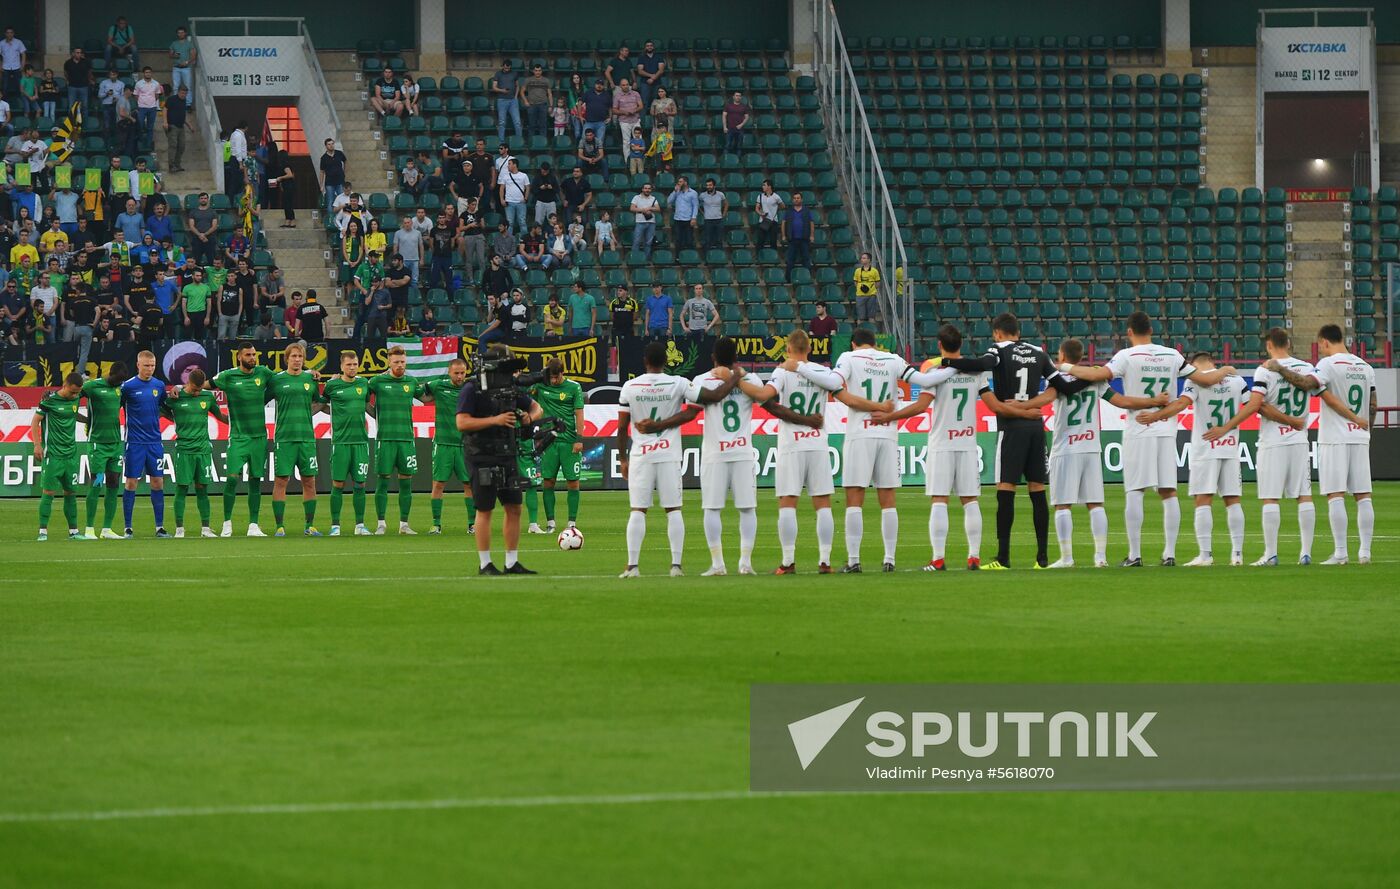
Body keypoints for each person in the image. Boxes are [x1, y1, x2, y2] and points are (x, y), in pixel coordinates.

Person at [1060, 311, 1238, 568]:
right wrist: (1225, 370)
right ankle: (1170, 553)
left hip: (1140, 427)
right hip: (1167, 430)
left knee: (1135, 490)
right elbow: (1205, 379)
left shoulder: (1126, 356)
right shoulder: (1172, 354)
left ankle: (1135, 554)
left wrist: (1062, 366)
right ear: (1152, 330)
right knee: (1168, 491)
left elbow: (1098, 376)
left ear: (1129, 332)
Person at [795, 328, 945, 572]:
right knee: (888, 500)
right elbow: (926, 381)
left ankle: (854, 561)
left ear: (854, 343)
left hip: (860, 434)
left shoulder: (848, 358)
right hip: (887, 433)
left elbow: (833, 383)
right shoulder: (893, 359)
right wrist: (956, 366)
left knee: (855, 498)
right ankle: (890, 560)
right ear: (875, 344)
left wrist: (800, 368)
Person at [1259, 324, 1377, 565]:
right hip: (1360, 436)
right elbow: (1373, 404)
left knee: (1336, 495)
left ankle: (1341, 553)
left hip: (1334, 437)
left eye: (1320, 346)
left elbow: (1305, 384)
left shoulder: (1328, 365)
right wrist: (1366, 430)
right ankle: (1365, 552)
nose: (1320, 351)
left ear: (1324, 342)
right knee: (1363, 496)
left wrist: (1278, 368)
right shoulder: (1365, 366)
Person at [1205, 328, 1316, 566]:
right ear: (1288, 343)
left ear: (1268, 345)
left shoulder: (1264, 370)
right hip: (1299, 439)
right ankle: (1305, 553)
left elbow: (1255, 405)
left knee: (1270, 498)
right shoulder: (1307, 368)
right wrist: (1295, 421)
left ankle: (1271, 554)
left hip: (1273, 441)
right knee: (1304, 496)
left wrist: (1226, 427)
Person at [1130, 352, 1251, 567]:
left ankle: (1205, 555)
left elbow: (1180, 405)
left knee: (1203, 500)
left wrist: (1154, 416)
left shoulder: (1194, 381)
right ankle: (1238, 555)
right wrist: (1229, 428)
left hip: (1205, 447)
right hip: (1230, 446)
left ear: (1194, 365)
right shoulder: (1238, 380)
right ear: (1212, 361)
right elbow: (1252, 406)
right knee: (1233, 500)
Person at [455, 343, 544, 574]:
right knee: (484, 509)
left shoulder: (512, 388)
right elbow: (462, 422)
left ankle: (511, 562)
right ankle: (485, 564)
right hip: (480, 454)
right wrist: (494, 421)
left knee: (514, 507)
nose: (510, 373)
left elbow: (537, 408)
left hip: (508, 452)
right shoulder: (472, 388)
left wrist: (528, 418)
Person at [210, 343, 276, 537]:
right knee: (232, 479)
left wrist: (310, 374)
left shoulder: (263, 373)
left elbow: (283, 379)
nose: (252, 357)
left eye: (254, 354)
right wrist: (183, 389)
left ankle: (253, 525)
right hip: (238, 437)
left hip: (259, 438)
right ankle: (227, 523)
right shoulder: (228, 376)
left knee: (255, 480)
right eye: (248, 354)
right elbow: (204, 385)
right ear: (239, 357)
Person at [267, 343, 322, 537]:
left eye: (300, 356)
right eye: (293, 356)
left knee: (309, 481)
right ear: (287, 359)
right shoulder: (276, 380)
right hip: (284, 438)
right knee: (281, 480)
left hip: (306, 438)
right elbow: (262, 400)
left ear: (304, 359)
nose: (297, 359)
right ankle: (279, 526)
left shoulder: (311, 379)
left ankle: (309, 525)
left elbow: (318, 402)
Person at [162, 368, 224, 538]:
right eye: (195, 389)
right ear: (188, 383)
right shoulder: (176, 397)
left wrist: (237, 417)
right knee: (182, 488)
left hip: (203, 449)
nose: (197, 393)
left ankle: (205, 529)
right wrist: (175, 419)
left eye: (200, 389)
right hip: (184, 449)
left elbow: (220, 416)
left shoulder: (208, 397)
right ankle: (179, 529)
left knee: (202, 488)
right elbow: (161, 409)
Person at [368, 345, 424, 534]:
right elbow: (362, 399)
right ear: (389, 362)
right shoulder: (377, 382)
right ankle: (381, 523)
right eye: (396, 362)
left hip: (406, 439)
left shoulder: (412, 382)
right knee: (383, 481)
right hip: (385, 439)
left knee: (406, 481)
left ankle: (404, 525)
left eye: (402, 362)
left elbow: (427, 397)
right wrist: (377, 415)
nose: (400, 365)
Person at [529, 359, 586, 532]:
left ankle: (571, 523)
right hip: (548, 442)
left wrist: (579, 439)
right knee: (548, 481)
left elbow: (579, 413)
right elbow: (527, 401)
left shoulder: (573, 387)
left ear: (563, 373)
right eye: (551, 377)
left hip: (569, 442)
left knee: (573, 483)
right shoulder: (540, 386)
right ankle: (551, 523)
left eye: (556, 377)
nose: (553, 381)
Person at [421, 359, 476, 535]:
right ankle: (436, 524)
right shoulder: (438, 386)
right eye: (456, 373)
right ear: (449, 372)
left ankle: (472, 524)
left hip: (465, 445)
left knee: (469, 484)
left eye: (462, 373)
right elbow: (417, 393)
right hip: (443, 443)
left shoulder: (472, 389)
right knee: (438, 484)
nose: (460, 376)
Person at [119, 350, 169, 537]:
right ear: (138, 365)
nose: (150, 369)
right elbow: (115, 405)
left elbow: (164, 407)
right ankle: (128, 527)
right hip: (134, 442)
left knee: (157, 482)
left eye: (153, 365)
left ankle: (159, 527)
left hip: (155, 442)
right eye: (146, 365)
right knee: (131, 482)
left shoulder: (159, 385)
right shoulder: (128, 387)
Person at [321, 351, 371, 535]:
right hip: (340, 442)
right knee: (338, 484)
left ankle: (360, 525)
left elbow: (367, 406)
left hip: (360, 442)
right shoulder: (332, 385)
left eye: (355, 364)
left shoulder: (363, 384)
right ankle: (335, 525)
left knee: (360, 484)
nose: (352, 368)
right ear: (341, 366)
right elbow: (322, 404)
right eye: (348, 365)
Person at [33, 373, 85, 541]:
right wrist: (37, 445)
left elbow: (73, 413)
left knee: (71, 493)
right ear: (64, 385)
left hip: (71, 454)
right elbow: (35, 421)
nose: (75, 395)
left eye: (77, 393)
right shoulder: (49, 401)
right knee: (48, 492)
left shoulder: (75, 399)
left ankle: (74, 532)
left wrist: (88, 420)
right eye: (72, 392)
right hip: (53, 455)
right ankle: (42, 532)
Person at [781, 192, 814, 281]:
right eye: (795, 198)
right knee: (790, 260)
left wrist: (812, 235)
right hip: (792, 239)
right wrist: (783, 235)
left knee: (806, 259)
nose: (796, 199)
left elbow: (811, 223)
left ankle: (808, 278)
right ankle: (788, 279)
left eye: (798, 198)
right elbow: (784, 223)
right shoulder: (789, 211)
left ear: (801, 199)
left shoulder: (806, 211)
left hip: (804, 239)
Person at [490, 59, 522, 142]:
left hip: (513, 101)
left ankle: (519, 140)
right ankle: (501, 142)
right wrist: (502, 91)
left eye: (508, 68)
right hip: (502, 100)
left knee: (517, 122)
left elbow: (517, 86)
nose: (506, 69)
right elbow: (494, 87)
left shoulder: (514, 73)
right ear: (503, 66)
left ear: (510, 67)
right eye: (505, 68)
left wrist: (515, 96)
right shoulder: (498, 74)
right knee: (502, 122)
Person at [498, 158, 531, 237]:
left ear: (515, 165)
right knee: (510, 223)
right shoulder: (506, 176)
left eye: (509, 164)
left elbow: (528, 187)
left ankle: (525, 239)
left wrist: (526, 198)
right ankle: (509, 240)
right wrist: (502, 199)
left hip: (520, 202)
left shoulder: (523, 175)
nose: (508, 166)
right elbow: (502, 188)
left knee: (522, 222)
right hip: (509, 202)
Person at [133, 67, 162, 147]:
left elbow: (157, 95)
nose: (148, 74)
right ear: (143, 73)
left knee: (150, 127)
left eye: (149, 72)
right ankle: (140, 142)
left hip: (152, 108)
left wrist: (151, 102)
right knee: (140, 125)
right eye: (146, 72)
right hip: (142, 108)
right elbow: (136, 95)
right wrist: (142, 102)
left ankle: (148, 144)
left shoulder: (156, 83)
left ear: (151, 73)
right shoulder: (139, 83)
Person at [319, 139, 348, 217]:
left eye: (332, 144)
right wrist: (321, 185)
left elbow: (345, 161)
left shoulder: (339, 153)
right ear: (326, 146)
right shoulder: (324, 158)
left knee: (342, 200)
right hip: (329, 182)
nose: (331, 145)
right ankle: (331, 219)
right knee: (330, 201)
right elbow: (322, 172)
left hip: (340, 181)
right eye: (329, 144)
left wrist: (344, 171)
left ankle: (343, 217)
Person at [180, 268, 211, 340]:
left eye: (200, 276)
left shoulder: (206, 287)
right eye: (197, 276)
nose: (199, 277)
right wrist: (185, 317)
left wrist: (207, 317)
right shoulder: (186, 288)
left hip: (201, 313)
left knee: (199, 336)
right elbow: (183, 303)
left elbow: (209, 303)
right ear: (193, 276)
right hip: (190, 313)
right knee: (187, 336)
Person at [667, 177, 698, 251]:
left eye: (680, 182)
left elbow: (695, 206)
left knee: (689, 239)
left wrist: (694, 218)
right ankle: (678, 258)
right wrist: (674, 191)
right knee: (678, 240)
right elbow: (669, 201)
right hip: (678, 219)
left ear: (685, 183)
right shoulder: (677, 192)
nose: (678, 183)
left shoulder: (693, 193)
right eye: (678, 182)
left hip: (688, 219)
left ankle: (690, 257)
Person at [630, 183, 660, 259]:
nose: (647, 190)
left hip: (651, 223)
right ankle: (635, 258)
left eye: (649, 188)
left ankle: (646, 259)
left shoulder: (653, 198)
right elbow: (632, 208)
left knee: (648, 242)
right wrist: (643, 210)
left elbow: (658, 209)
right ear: (642, 189)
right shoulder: (636, 197)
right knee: (636, 241)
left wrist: (649, 208)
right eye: (646, 188)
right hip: (640, 222)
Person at [521, 64, 551, 138]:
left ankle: (543, 141)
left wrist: (550, 105)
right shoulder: (528, 80)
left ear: (541, 71)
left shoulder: (546, 80)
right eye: (536, 70)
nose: (538, 72)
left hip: (543, 105)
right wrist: (525, 101)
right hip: (532, 105)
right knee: (531, 125)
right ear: (533, 71)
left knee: (543, 125)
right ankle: (531, 142)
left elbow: (549, 94)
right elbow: (521, 92)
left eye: (539, 70)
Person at [635, 40, 666, 108]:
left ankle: (656, 119)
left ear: (653, 47)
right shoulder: (641, 57)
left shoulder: (659, 57)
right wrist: (651, 76)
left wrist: (653, 78)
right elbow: (640, 71)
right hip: (645, 83)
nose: (649, 47)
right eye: (647, 46)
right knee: (644, 102)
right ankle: (643, 119)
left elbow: (661, 70)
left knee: (657, 102)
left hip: (657, 83)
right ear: (645, 47)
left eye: (651, 46)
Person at [699, 179, 727, 250]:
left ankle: (720, 257)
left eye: (710, 185)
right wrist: (703, 213)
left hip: (718, 220)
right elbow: (697, 205)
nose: (708, 187)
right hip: (708, 220)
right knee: (707, 240)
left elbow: (726, 204)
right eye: (707, 185)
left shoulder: (720, 194)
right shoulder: (702, 195)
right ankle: (707, 257)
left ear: (714, 186)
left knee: (719, 240)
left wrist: (723, 214)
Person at [754, 180, 783, 249]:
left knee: (773, 241)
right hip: (763, 221)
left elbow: (783, 206)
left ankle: (774, 256)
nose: (762, 186)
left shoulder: (776, 196)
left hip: (773, 221)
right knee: (760, 241)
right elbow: (756, 208)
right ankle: (758, 257)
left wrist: (775, 210)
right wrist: (761, 214)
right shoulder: (760, 196)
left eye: (764, 185)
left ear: (769, 186)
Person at [169, 26, 196, 97]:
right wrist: (174, 55)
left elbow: (193, 56)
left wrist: (187, 62)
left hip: (186, 68)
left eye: (182, 32)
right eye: (179, 33)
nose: (180, 34)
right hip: (176, 68)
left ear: (185, 33)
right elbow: (170, 55)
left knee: (188, 86)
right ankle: (175, 101)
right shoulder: (174, 43)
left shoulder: (189, 43)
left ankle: (188, 103)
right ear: (177, 34)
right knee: (175, 86)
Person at [272, 146, 296, 227]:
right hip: (286, 186)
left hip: (289, 186)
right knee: (286, 203)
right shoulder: (285, 164)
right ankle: (287, 219)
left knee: (288, 203)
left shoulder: (285, 165)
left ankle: (292, 220)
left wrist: (280, 178)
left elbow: (290, 175)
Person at [853, 252, 881, 320]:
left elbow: (877, 283)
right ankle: (860, 330)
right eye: (862, 258)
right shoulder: (857, 271)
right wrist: (860, 288)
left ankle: (872, 330)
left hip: (871, 295)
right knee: (860, 317)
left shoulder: (874, 271)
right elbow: (855, 282)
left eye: (864, 258)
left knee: (871, 316)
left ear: (869, 260)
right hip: (860, 295)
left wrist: (871, 289)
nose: (862, 259)